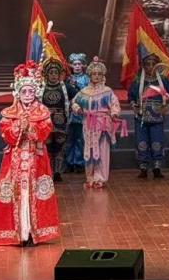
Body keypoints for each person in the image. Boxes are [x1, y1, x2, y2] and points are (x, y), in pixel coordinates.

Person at [0, 61, 60, 246]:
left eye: (31, 91)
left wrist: (30, 128)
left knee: (34, 192)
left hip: (36, 159)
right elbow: (5, 133)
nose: (28, 95)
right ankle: (18, 232)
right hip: (15, 158)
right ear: (18, 93)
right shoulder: (10, 113)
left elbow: (45, 130)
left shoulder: (42, 111)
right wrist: (17, 127)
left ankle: (32, 232)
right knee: (14, 192)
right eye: (24, 92)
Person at [71, 56, 124, 189]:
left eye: (99, 74)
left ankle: (100, 178)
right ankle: (90, 177)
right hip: (88, 124)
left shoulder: (107, 91)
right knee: (89, 149)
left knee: (102, 150)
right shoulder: (84, 92)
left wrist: (114, 113)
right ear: (90, 75)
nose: (96, 76)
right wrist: (77, 109)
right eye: (94, 74)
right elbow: (74, 102)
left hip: (103, 124)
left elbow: (115, 104)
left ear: (103, 75)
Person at [128, 53, 169, 179]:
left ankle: (157, 168)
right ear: (143, 66)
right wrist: (134, 105)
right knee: (141, 142)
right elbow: (131, 96)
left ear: (157, 66)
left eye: (153, 64)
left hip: (157, 117)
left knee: (157, 142)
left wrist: (168, 106)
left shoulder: (163, 80)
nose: (150, 67)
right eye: (148, 64)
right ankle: (143, 168)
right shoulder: (137, 81)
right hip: (141, 117)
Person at [38, 58, 70, 182]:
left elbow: (78, 96)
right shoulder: (41, 88)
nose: (53, 75)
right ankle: (48, 171)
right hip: (45, 122)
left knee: (59, 147)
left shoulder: (65, 87)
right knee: (47, 146)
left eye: (56, 73)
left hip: (60, 122)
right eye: (51, 73)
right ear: (46, 74)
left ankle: (57, 172)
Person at [62, 53, 91, 172]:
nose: (77, 66)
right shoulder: (67, 79)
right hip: (70, 113)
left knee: (80, 139)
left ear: (83, 65)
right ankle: (69, 162)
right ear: (71, 65)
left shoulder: (87, 79)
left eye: (79, 64)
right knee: (69, 139)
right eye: (75, 64)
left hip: (81, 112)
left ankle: (79, 162)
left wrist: (77, 87)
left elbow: (88, 94)